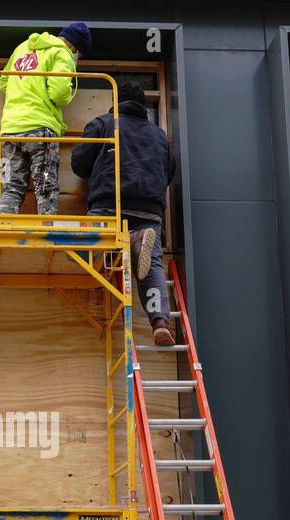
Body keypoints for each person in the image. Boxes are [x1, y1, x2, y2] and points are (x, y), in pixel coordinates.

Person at [71, 79, 177, 345]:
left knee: (80, 253)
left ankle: (119, 244)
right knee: (151, 265)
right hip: (150, 211)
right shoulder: (158, 135)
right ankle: (160, 323)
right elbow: (168, 172)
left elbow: (79, 164)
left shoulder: (106, 123)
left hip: (110, 206)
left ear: (116, 102)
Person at [0, 22, 92, 216]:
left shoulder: (22, 48)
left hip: (10, 130)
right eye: (79, 55)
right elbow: (58, 92)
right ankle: (48, 232)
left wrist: (22, 93)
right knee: (45, 185)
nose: (76, 58)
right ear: (74, 46)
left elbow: (4, 82)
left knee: (11, 186)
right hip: (41, 129)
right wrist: (65, 95)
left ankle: (2, 223)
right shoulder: (62, 52)